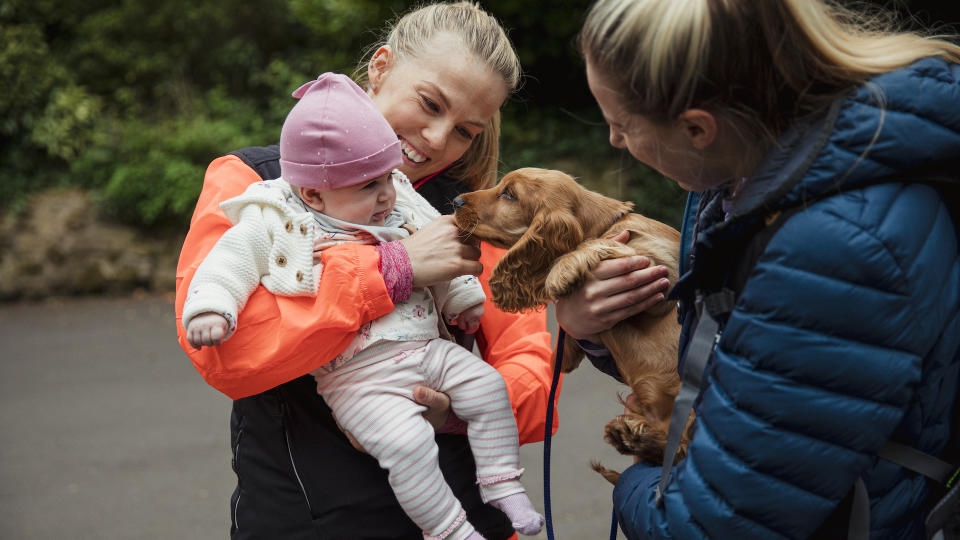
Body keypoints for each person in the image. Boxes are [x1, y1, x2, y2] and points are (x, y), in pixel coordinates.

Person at [559, 0, 960, 537]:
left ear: (697, 128)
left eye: (621, 125)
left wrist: (638, 481)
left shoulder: (836, 248)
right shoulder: (737, 183)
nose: (614, 143)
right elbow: (742, 370)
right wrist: (595, 333)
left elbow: (707, 526)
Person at [174, 3, 563, 538]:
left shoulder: (479, 212)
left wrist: (447, 415)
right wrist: (394, 268)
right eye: (429, 103)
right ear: (380, 67)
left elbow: (530, 371)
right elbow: (225, 355)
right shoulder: (255, 184)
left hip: (474, 517)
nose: (434, 138)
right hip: (312, 523)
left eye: (465, 132)